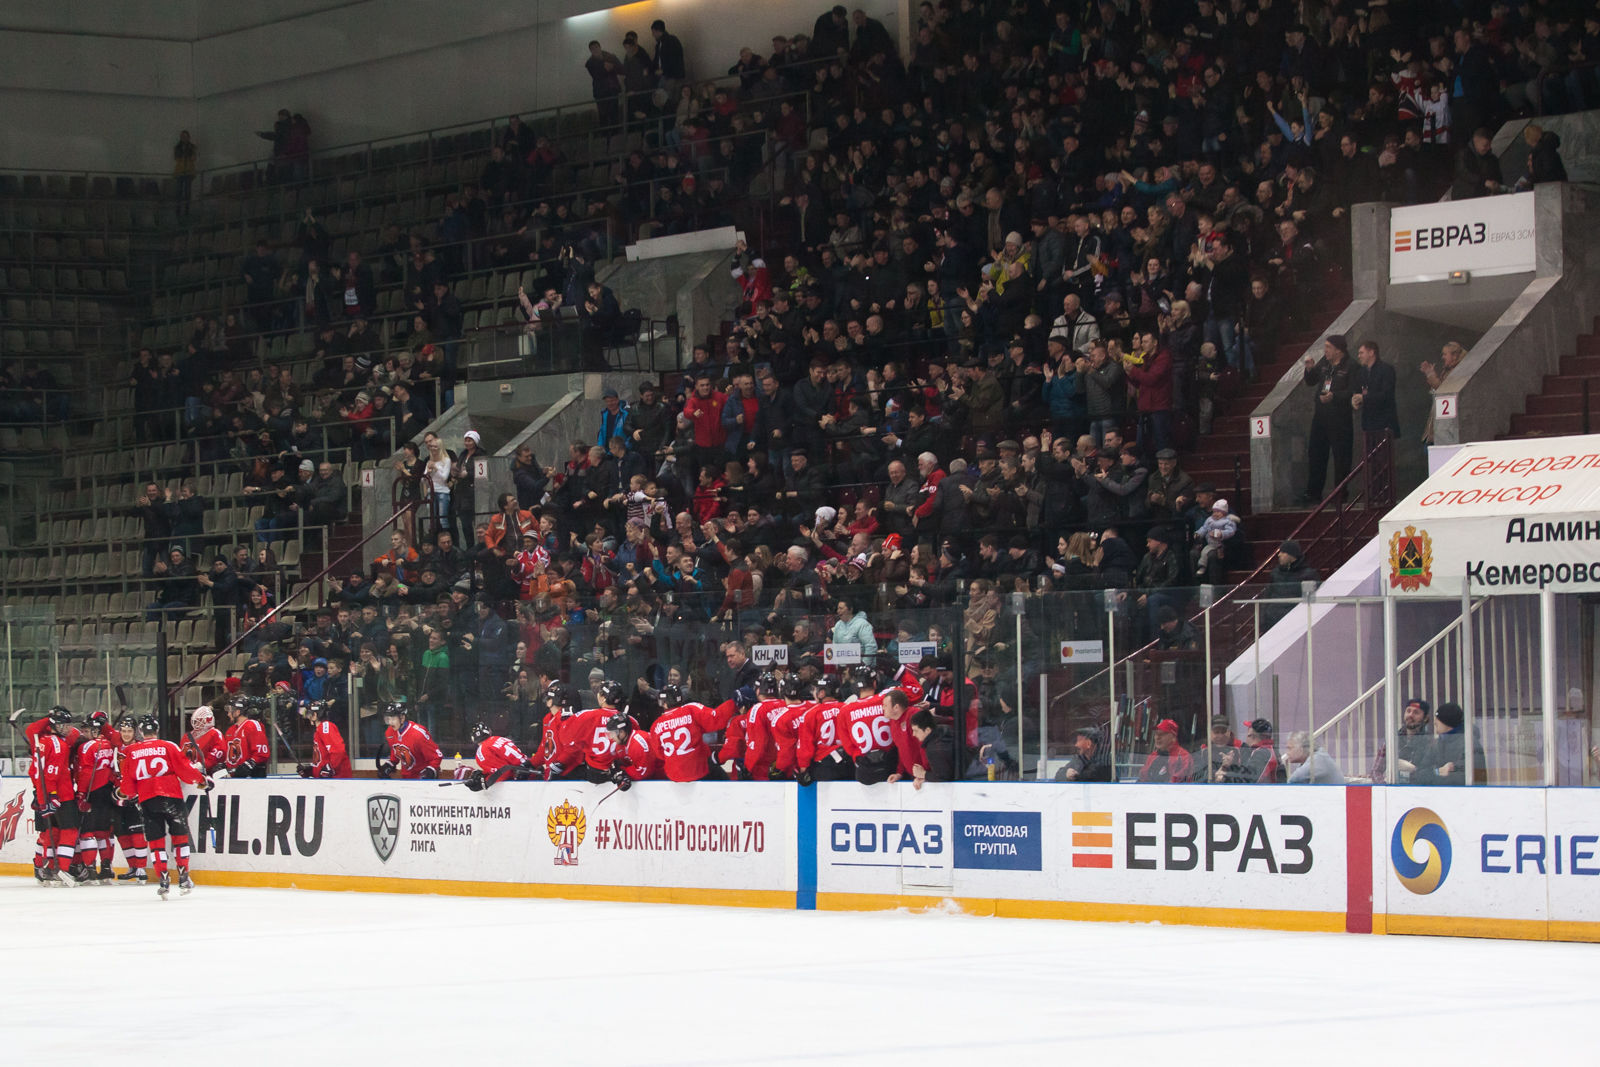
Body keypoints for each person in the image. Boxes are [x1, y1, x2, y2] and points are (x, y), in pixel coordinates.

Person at [116, 713, 211, 898]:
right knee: (180, 837)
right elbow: (185, 770)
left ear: (141, 731)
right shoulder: (168, 746)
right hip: (172, 797)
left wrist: (125, 794)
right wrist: (202, 780)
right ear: (157, 730)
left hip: (147, 800)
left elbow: (127, 784)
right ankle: (184, 877)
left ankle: (163, 878)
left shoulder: (132, 751)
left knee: (156, 841)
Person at [1300, 334, 1356, 505]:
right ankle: (1313, 492)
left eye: (1328, 347)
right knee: (1316, 453)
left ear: (1339, 350)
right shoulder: (1324, 363)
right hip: (1321, 415)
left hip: (1340, 417)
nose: (1325, 351)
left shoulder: (1351, 365)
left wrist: (1335, 396)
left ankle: (1340, 493)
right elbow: (1311, 381)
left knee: (1341, 457)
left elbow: (1352, 390)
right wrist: (1309, 370)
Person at [645, 684, 740, 782]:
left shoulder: (656, 725)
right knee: (722, 777)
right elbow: (716, 719)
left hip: (674, 775)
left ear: (664, 702)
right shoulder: (691, 710)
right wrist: (734, 703)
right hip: (698, 770)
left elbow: (660, 754)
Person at [1352, 340, 1400, 452]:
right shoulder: (1361, 372)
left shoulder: (1386, 370)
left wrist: (1364, 398)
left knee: (1383, 457)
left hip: (1383, 422)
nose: (1359, 356)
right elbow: (1357, 391)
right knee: (1370, 457)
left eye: (1361, 353)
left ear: (1371, 352)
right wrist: (1355, 401)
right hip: (1368, 423)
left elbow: (1387, 395)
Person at [378, 701, 442, 779]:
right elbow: (396, 750)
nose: (390, 722)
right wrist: (391, 763)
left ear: (402, 718)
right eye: (388, 719)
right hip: (406, 777)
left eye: (393, 718)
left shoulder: (418, 735)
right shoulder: (390, 732)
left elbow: (436, 757)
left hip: (423, 780)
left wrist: (430, 771)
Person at [464, 721, 536, 790]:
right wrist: (485, 773)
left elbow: (503, 773)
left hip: (524, 782)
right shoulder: (501, 739)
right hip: (534, 772)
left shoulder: (482, 751)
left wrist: (485, 782)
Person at [296, 699, 351, 778]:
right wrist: (312, 770)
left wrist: (330, 767)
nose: (308, 717)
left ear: (315, 715)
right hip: (327, 781)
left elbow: (338, 751)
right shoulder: (318, 731)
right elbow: (323, 759)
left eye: (309, 714)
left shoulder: (325, 726)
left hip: (337, 779)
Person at [218, 697, 270, 778]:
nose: (228, 714)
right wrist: (224, 764)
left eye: (230, 711)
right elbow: (231, 755)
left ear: (238, 712)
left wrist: (249, 764)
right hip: (234, 777)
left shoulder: (252, 725)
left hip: (252, 777)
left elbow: (262, 753)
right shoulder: (230, 731)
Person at [909, 709, 956, 788]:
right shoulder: (943, 732)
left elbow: (943, 778)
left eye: (916, 730)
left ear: (927, 730)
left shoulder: (933, 749)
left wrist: (923, 774)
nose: (913, 734)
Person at [1137, 718, 1193, 783]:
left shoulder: (1184, 756)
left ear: (1173, 737)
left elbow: (1179, 784)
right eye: (1156, 734)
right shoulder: (1153, 755)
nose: (1157, 737)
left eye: (1162, 734)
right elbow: (1142, 778)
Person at [180, 705, 227, 775]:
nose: (196, 724)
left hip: (206, 776)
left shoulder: (214, 734)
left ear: (208, 720)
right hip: (187, 775)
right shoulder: (186, 736)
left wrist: (202, 766)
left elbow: (216, 756)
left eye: (199, 721)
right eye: (195, 721)